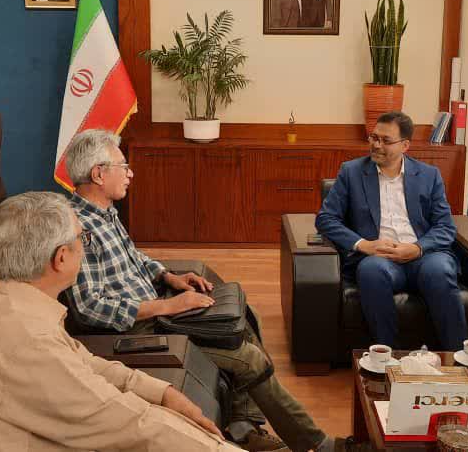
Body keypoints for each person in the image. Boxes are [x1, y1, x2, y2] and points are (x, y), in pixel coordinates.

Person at [63, 130, 366, 452]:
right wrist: (168, 307)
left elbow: (132, 258)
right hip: (141, 328)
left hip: (158, 309)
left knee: (244, 316)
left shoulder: (104, 212)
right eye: (123, 166)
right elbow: (89, 307)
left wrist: (167, 276)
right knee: (249, 359)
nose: (130, 173)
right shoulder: (79, 229)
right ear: (98, 174)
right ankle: (319, 444)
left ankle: (243, 427)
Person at [0, 191, 240, 451]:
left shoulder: (3, 301)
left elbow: (84, 363)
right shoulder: (29, 340)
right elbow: (127, 423)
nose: (85, 247)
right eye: (82, 238)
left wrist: (163, 394)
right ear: (61, 258)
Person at [315, 111, 467, 351]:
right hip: (379, 258)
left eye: (386, 140)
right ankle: (387, 357)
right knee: (371, 271)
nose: (377, 145)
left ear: (405, 145)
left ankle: (457, 357)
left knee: (439, 270)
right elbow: (326, 218)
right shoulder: (351, 172)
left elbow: (445, 226)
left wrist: (417, 248)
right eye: (374, 138)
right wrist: (363, 244)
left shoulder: (429, 175)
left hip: (423, 256)